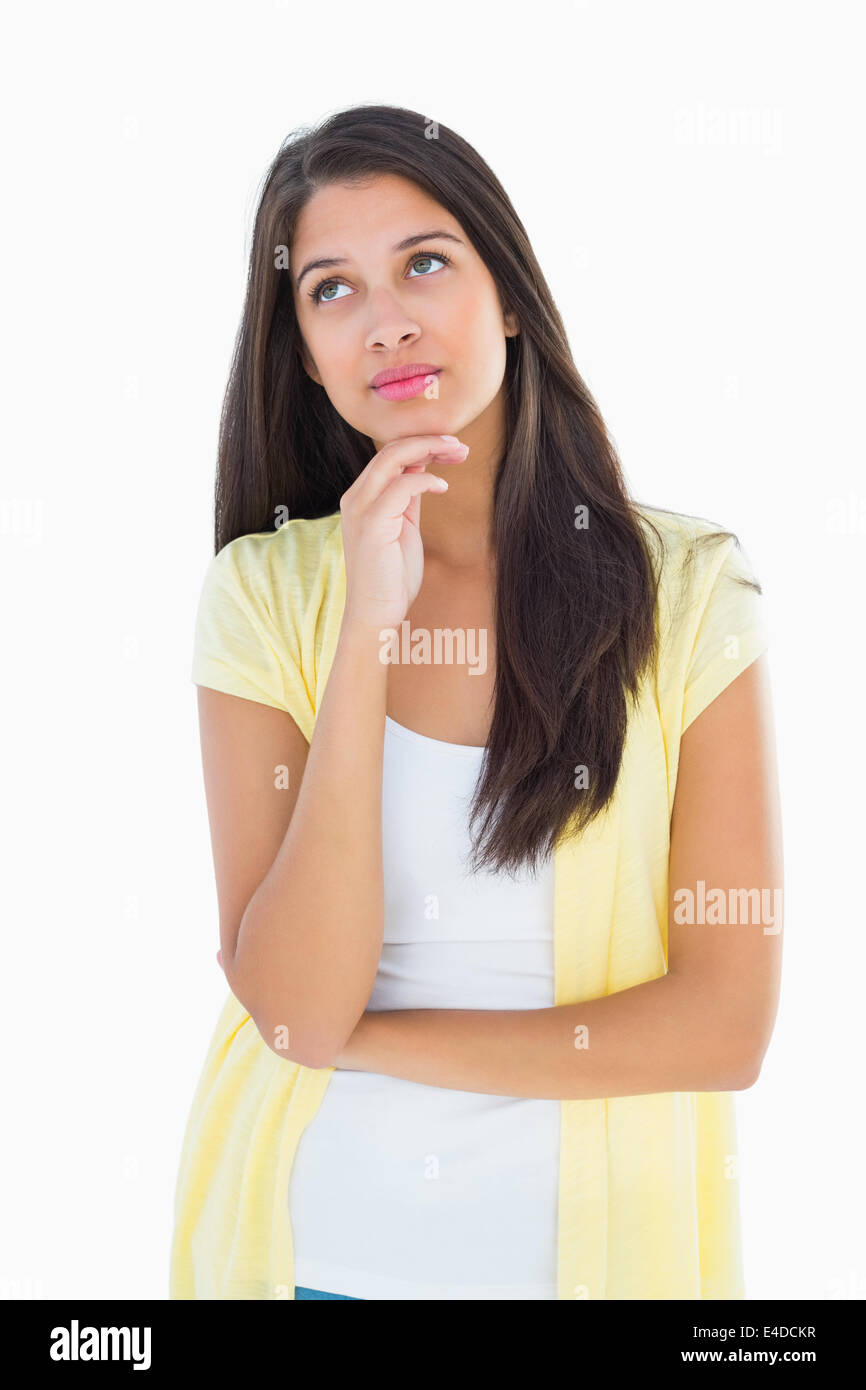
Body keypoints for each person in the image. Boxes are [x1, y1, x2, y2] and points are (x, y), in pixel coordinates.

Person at [169, 104, 783, 1301]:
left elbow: (724, 1027)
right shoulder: (261, 596)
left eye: (425, 263)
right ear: (300, 350)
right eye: (330, 290)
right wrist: (364, 634)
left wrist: (371, 1046)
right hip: (311, 1266)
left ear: (507, 296)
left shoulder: (691, 590)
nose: (386, 317)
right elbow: (294, 1004)